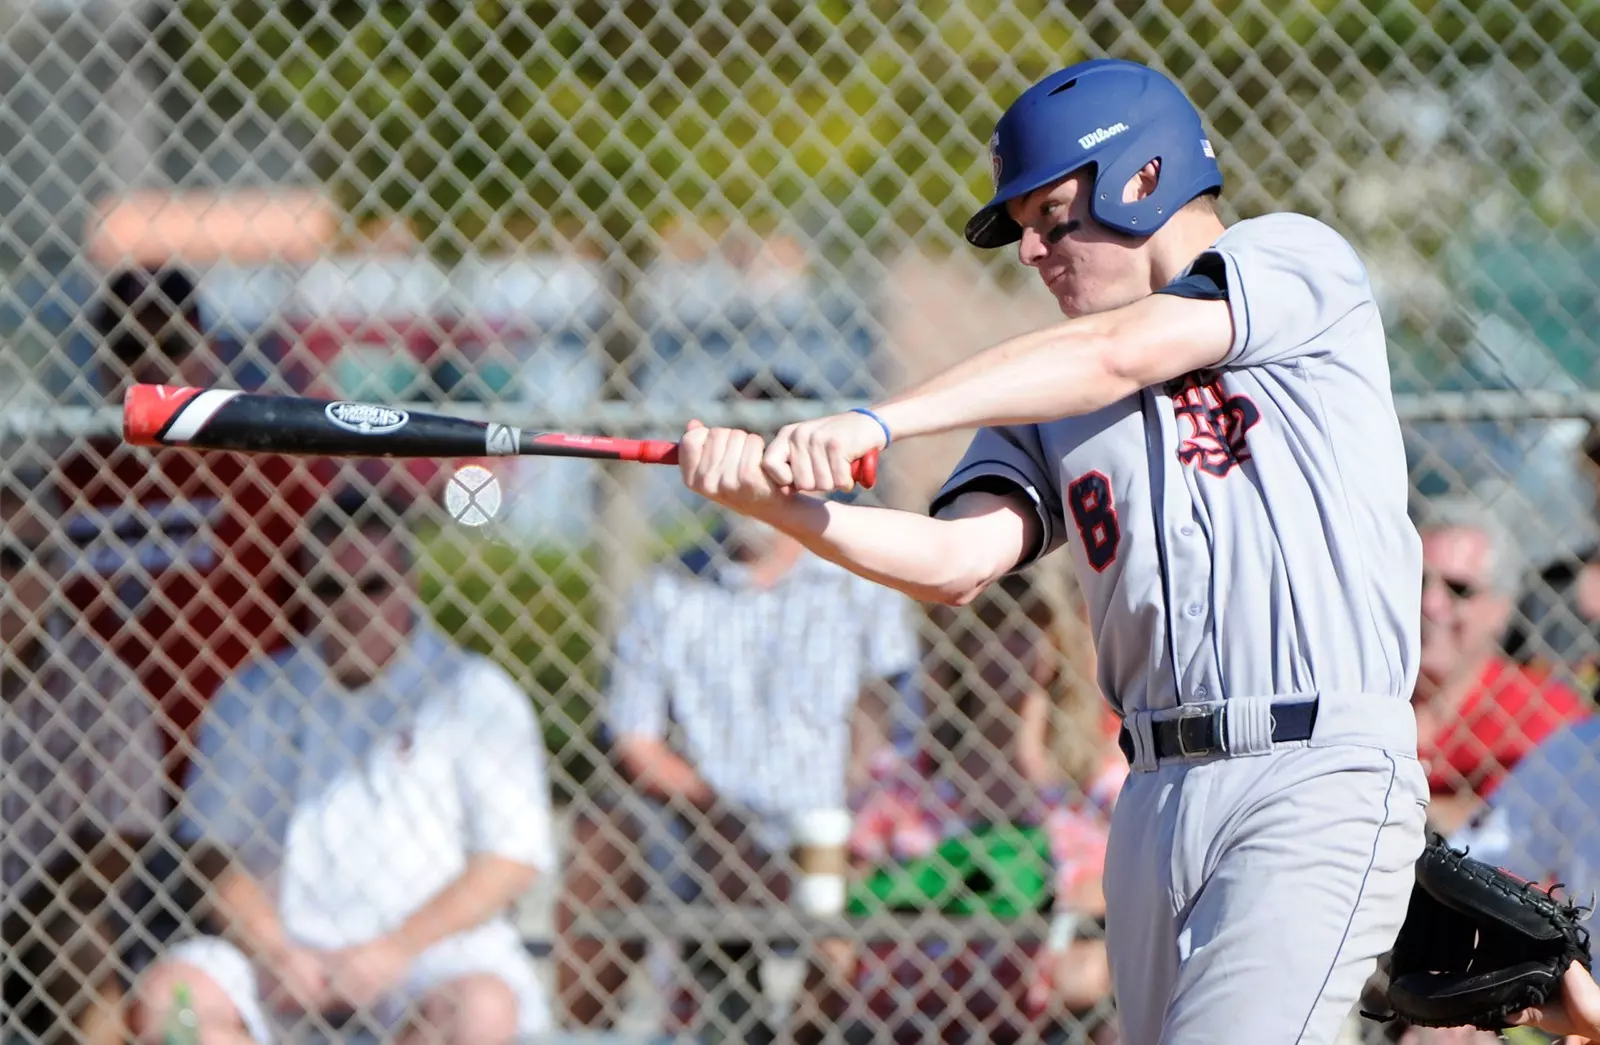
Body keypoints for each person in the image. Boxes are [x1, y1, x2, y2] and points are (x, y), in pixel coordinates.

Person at [673, 56, 1431, 1044]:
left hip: (1310, 770)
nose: (1029, 252)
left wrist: (879, 420)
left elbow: (1118, 355)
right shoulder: (1052, 397)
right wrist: (780, 509)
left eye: (1049, 217)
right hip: (1154, 796)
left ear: (1144, 179)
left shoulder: (1293, 259)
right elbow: (954, 562)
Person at [556, 369, 922, 1042]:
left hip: (832, 825)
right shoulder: (669, 589)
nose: (744, 466)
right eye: (732, 443)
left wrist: (844, 822)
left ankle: (808, 1021)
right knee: (603, 839)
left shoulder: (858, 578)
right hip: (705, 825)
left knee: (861, 878)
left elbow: (891, 724)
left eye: (762, 443)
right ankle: (577, 1031)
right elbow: (635, 738)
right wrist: (716, 817)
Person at [128, 488, 557, 1045]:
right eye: (331, 588)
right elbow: (210, 851)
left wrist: (393, 951)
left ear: (409, 586)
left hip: (426, 960)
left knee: (482, 1009)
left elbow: (511, 859)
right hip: (282, 959)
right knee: (172, 1002)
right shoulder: (255, 693)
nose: (353, 606)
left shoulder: (473, 693)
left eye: (373, 585)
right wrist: (277, 952)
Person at [55, 265, 324, 786]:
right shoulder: (73, 482)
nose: (150, 364)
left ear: (206, 350)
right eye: (129, 345)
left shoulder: (261, 467)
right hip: (99, 781)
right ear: (104, 359)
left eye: (172, 342)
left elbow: (313, 614)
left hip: (236, 771)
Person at [830, 567, 1118, 1043]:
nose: (1008, 649)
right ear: (963, 652)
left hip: (1050, 1003)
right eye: (991, 631)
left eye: (1027, 632)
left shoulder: (1090, 785)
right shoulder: (910, 785)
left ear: (1054, 649)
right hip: (913, 1000)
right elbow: (851, 883)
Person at [1, 472, 167, 905]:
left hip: (46, 931)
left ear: (56, 569)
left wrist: (17, 932)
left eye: (16, 557)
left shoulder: (103, 683)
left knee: (80, 942)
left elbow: (121, 838)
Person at [1411, 497, 1587, 835]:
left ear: (1501, 608)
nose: (1430, 604)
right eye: (1419, 582)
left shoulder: (1545, 715)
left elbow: (1529, 831)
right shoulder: (1367, 689)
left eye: (1459, 589)